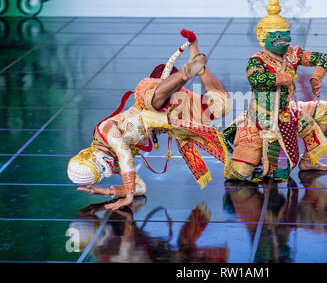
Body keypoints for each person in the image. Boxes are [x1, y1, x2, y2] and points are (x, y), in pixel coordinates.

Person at [67, 29, 231, 210]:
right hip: (169, 116)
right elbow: (140, 188)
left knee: (152, 102)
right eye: (103, 174)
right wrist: (107, 192)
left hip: (149, 101)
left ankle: (186, 73)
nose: (108, 171)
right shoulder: (113, 161)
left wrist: (127, 198)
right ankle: (197, 58)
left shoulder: (104, 131)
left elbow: (124, 154)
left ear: (90, 154)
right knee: (221, 105)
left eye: (102, 167)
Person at [222, 0, 327, 183]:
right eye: (277, 37)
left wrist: (317, 76)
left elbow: (323, 58)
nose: (284, 41)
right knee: (237, 175)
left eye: (286, 36)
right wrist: (283, 78)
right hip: (259, 122)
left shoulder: (292, 54)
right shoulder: (256, 60)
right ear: (262, 37)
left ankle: (308, 161)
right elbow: (257, 80)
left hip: (288, 115)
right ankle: (254, 156)